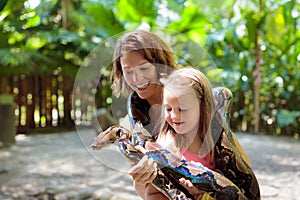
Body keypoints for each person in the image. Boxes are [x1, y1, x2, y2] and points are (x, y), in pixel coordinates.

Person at [110, 30, 257, 199]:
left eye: (144, 68)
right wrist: (144, 180)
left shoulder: (192, 94)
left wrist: (208, 182)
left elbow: (242, 164)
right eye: (128, 72)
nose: (137, 78)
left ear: (159, 63)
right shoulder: (134, 125)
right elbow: (146, 191)